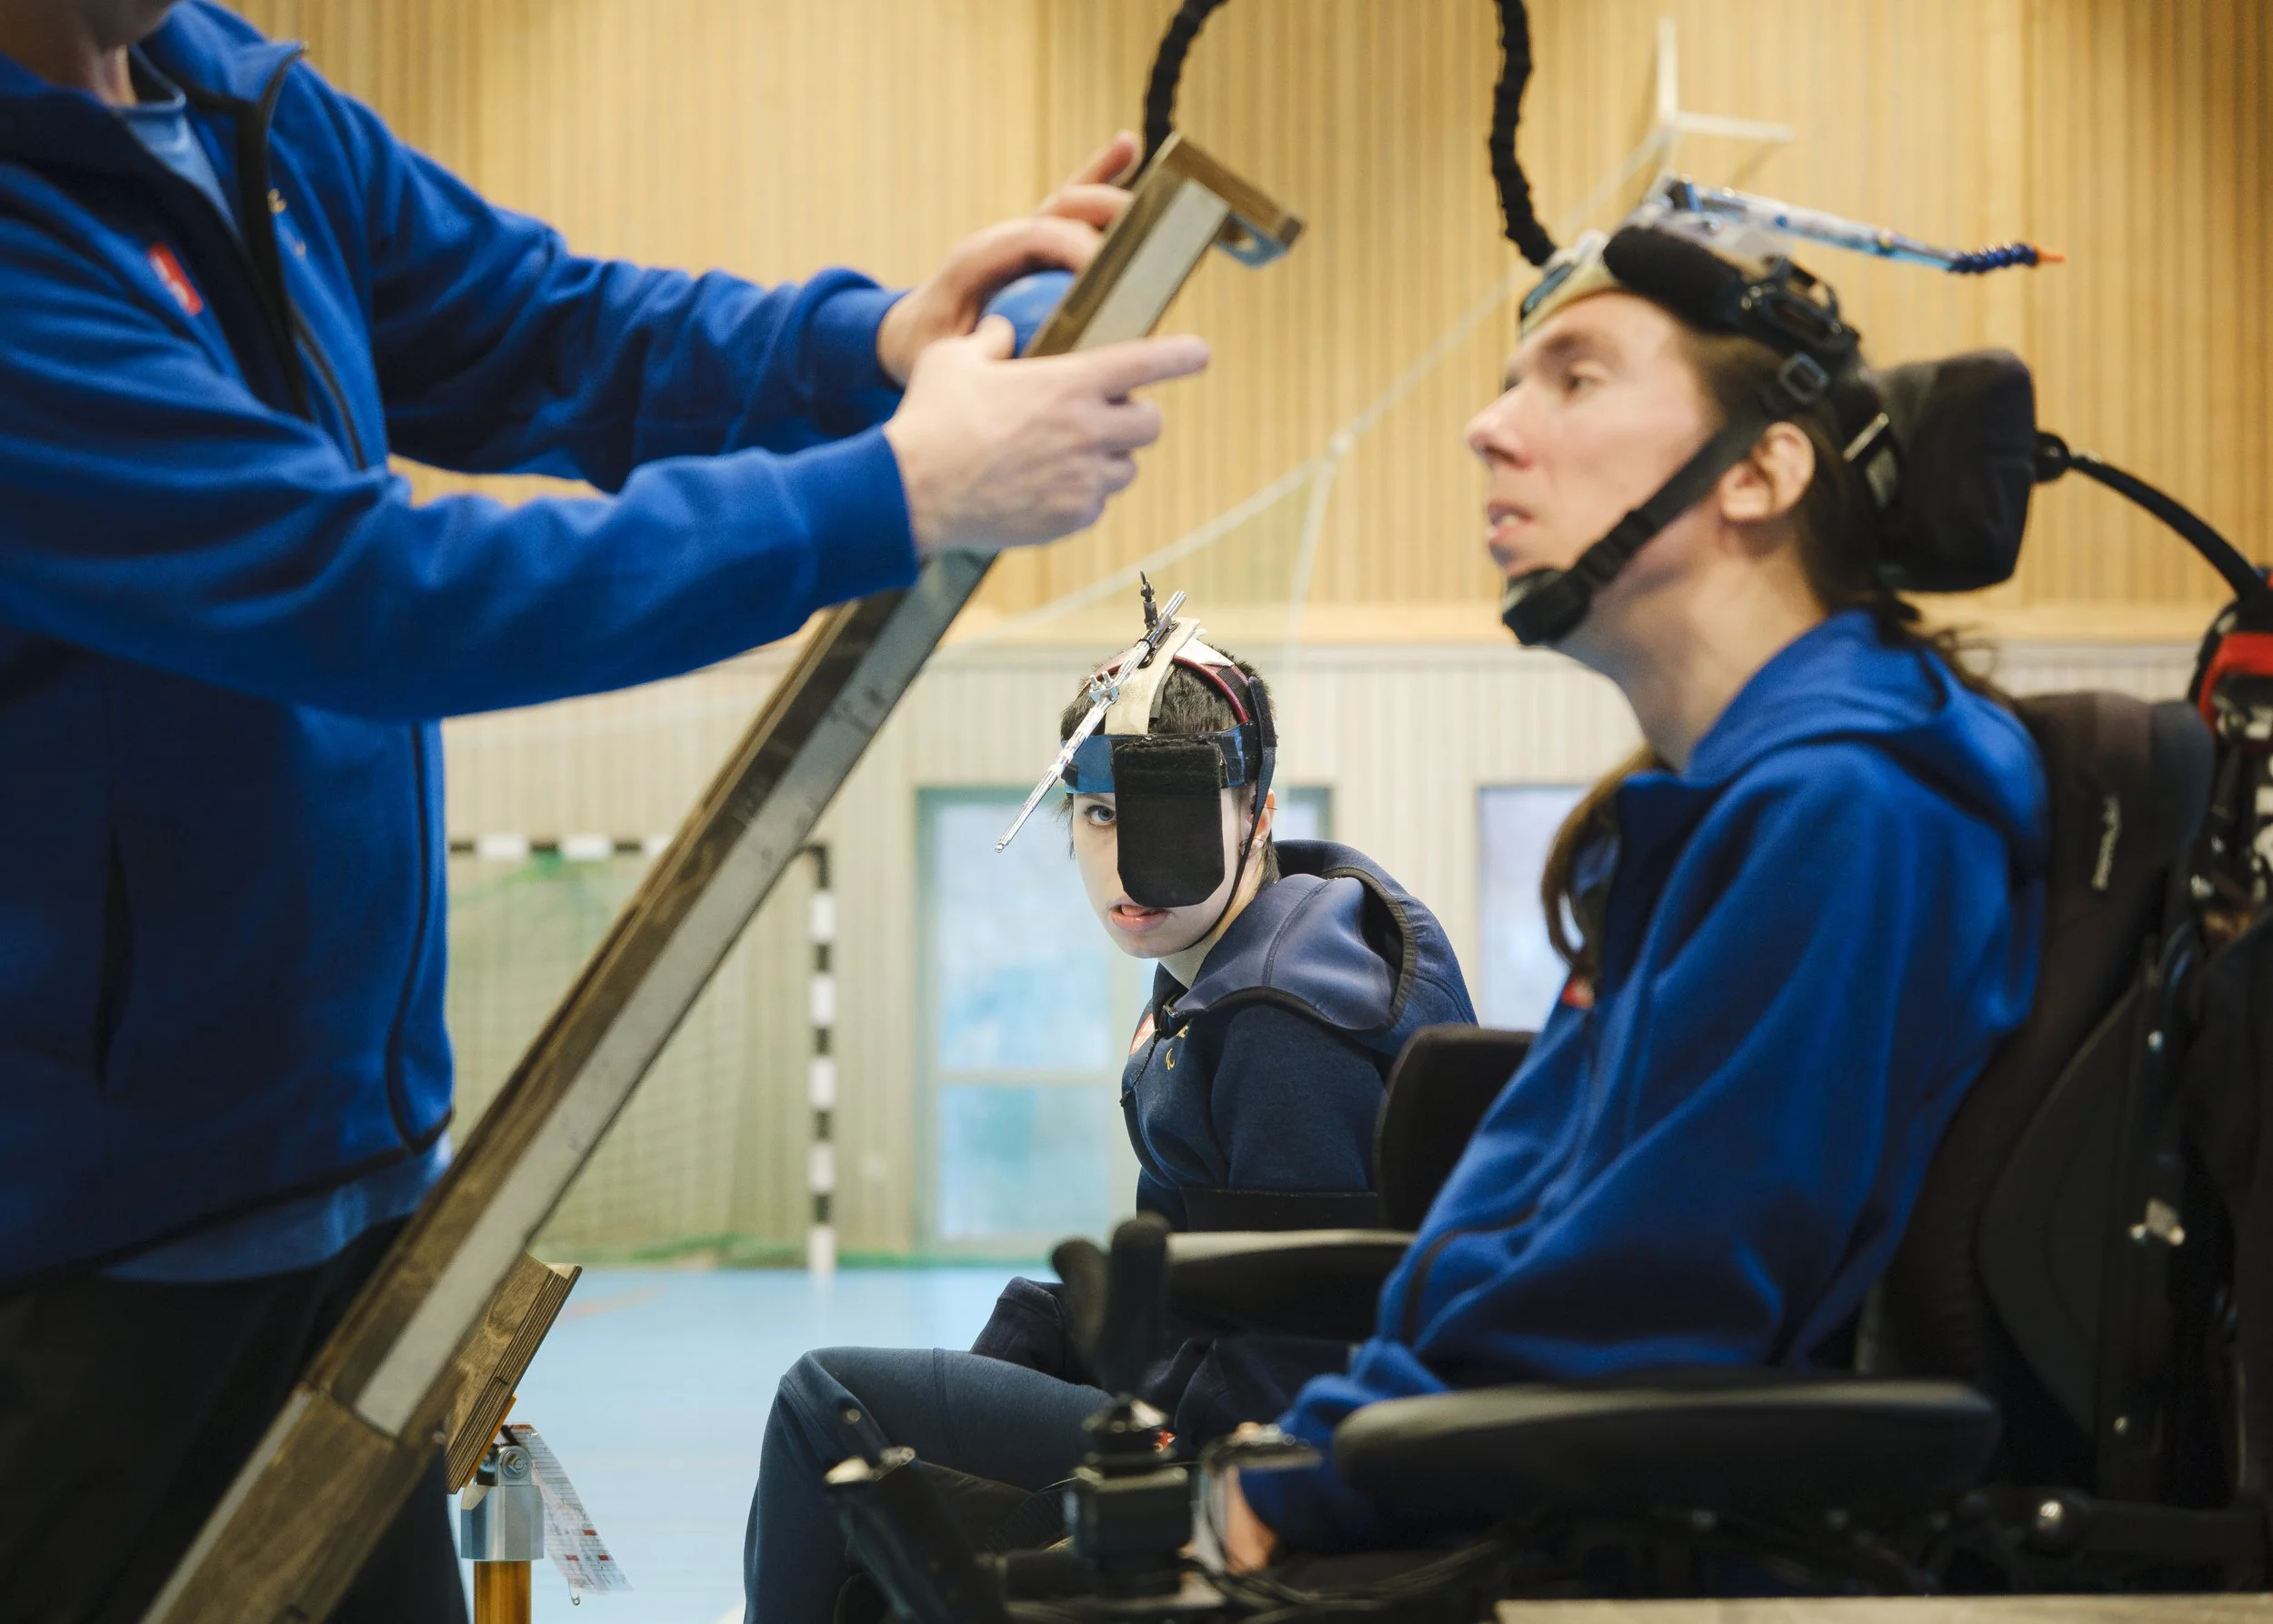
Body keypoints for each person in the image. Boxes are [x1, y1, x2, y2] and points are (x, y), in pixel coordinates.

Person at [0, 0, 1208, 1616]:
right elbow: (362, 591)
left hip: (348, 1189)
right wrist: (893, 492)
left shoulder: (237, 95)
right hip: (100, 1254)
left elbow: (544, 329)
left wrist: (868, 350)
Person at [1209, 212, 2050, 1563]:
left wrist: (1302, 1483)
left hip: (1620, 1518)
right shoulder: (1731, 810)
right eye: (1507, 383)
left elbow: (1657, 1293)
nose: (1491, 426)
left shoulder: (1848, 812)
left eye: (1576, 376)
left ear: (1762, 471)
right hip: (1487, 1462)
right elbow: (1545, 1216)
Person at [743, 618, 1477, 1624]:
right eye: (1095, 814)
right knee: (1017, 1333)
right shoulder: (1253, 944)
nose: (1127, 863)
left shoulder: (1277, 1024)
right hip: (1214, 1382)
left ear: (1255, 811)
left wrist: (1115, 1475)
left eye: (1168, 816)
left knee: (820, 1400)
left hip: (1249, 1452)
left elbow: (1296, 1352)